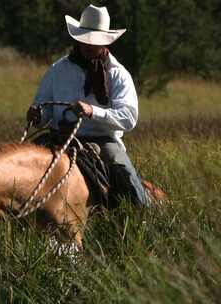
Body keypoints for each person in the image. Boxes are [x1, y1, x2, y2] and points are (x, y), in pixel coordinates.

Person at [26, 4, 151, 206]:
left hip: (102, 141)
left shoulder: (118, 74)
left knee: (121, 169)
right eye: (84, 39)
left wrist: (93, 111)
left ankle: (144, 211)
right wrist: (37, 115)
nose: (88, 45)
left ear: (104, 43)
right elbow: (45, 108)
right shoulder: (57, 70)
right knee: (23, 162)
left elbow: (128, 118)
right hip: (59, 136)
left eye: (94, 41)